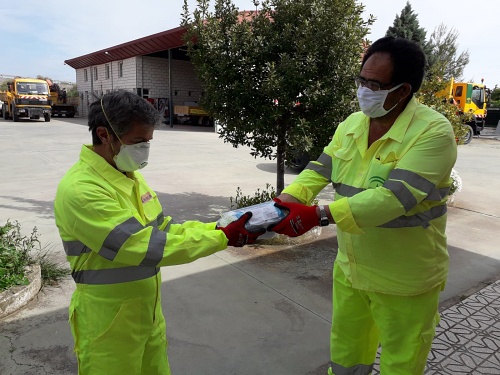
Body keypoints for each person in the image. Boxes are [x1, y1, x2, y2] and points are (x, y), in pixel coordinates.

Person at [271, 36, 457, 375]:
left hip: (405, 279)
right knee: (346, 354)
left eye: (375, 84)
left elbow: (394, 198)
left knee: (401, 362)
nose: (364, 90)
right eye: (362, 80)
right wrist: (288, 200)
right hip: (351, 269)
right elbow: (319, 169)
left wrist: (318, 215)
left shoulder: (433, 132)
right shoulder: (353, 124)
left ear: (403, 90)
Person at [54, 90, 263, 375]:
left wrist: (219, 226)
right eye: (138, 142)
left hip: (147, 316)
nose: (145, 150)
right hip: (107, 324)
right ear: (104, 135)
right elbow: (143, 245)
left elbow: (165, 229)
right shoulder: (83, 190)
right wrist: (222, 238)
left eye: (148, 141)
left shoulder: (129, 177)